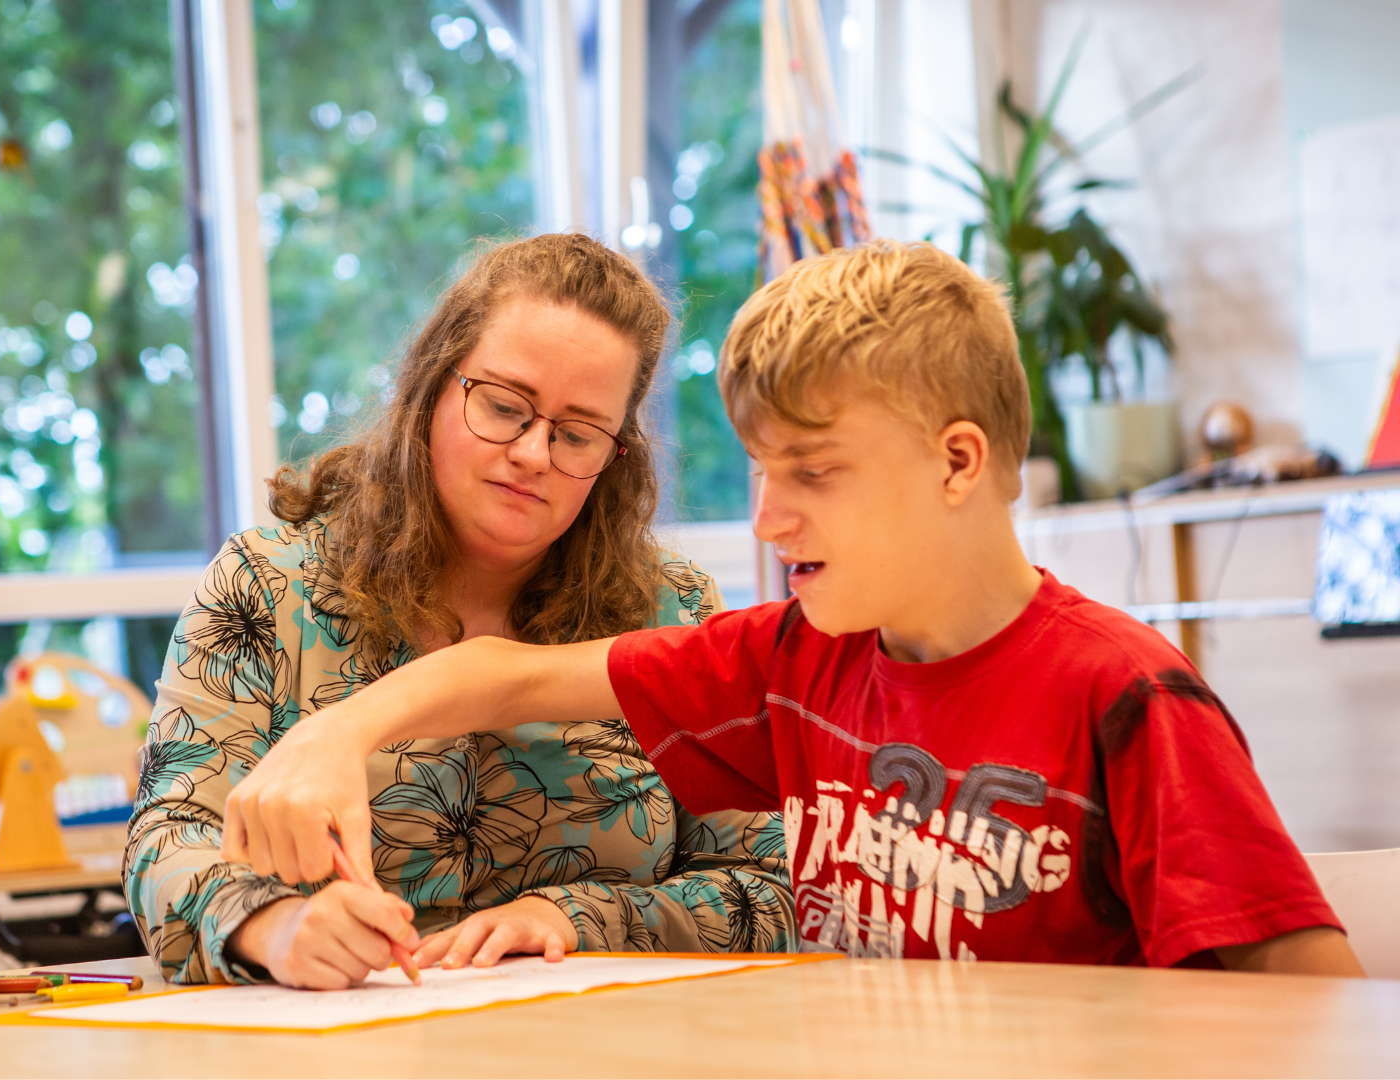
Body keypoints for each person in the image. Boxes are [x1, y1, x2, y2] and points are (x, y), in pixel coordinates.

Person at [218, 239, 1364, 975]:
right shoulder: (792, 661)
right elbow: (504, 675)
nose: (769, 520)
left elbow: (1313, 1012)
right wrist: (335, 732)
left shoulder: (1124, 694)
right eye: (760, 475)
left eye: (814, 475)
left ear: (958, 462)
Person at [124, 234, 795, 990]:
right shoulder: (266, 586)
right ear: (432, 386)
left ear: (617, 456)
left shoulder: (672, 609)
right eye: (505, 407)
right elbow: (167, 841)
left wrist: (577, 919)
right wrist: (277, 929)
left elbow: (772, 884)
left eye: (576, 434)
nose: (533, 453)